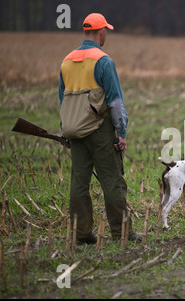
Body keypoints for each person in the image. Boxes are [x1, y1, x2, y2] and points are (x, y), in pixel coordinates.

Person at [59, 13, 141, 244]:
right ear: (101, 31)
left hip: (74, 130)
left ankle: (81, 234)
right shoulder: (103, 61)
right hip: (99, 130)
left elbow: (62, 100)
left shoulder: (66, 61)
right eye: (106, 30)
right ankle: (122, 233)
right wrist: (121, 132)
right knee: (112, 180)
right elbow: (115, 101)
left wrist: (66, 129)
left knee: (78, 182)